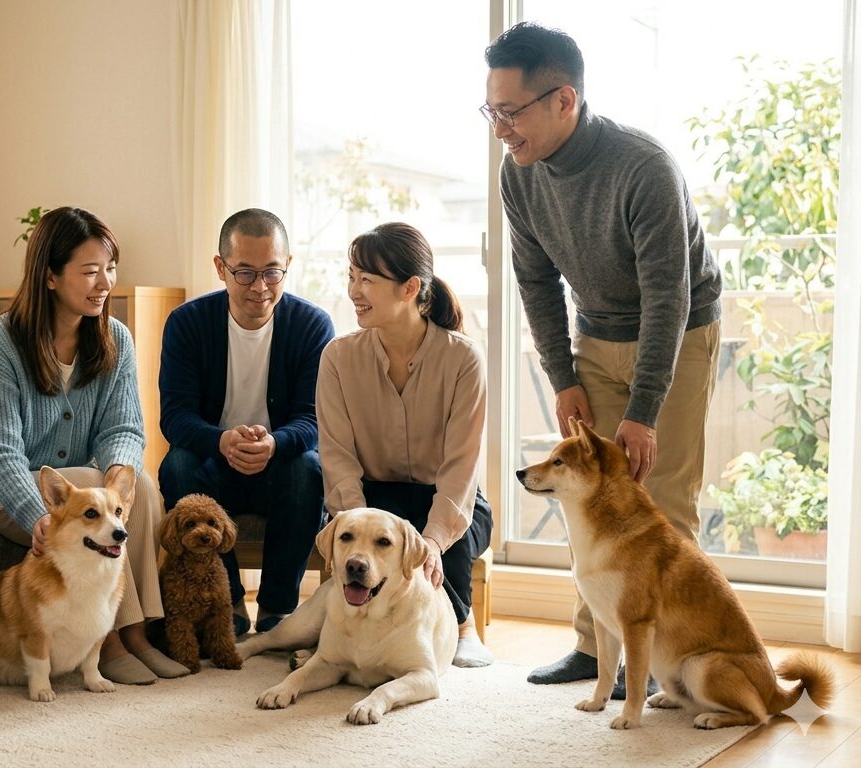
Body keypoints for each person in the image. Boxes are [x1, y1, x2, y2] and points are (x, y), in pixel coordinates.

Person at [484, 22, 723, 693]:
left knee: (661, 505)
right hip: (596, 334)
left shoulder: (642, 167)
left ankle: (666, 664)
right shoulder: (520, 175)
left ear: (564, 100)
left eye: (511, 111)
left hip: (675, 333)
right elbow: (534, 282)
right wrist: (563, 379)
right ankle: (597, 650)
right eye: (492, 110)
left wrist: (643, 411)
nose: (500, 127)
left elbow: (667, 299)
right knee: (586, 499)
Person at [0, 206, 190, 685]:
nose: (105, 283)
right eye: (90, 272)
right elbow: (0, 453)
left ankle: (140, 632)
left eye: (110, 269)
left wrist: (121, 476)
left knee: (138, 483)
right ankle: (117, 643)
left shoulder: (114, 337)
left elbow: (124, 427)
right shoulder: (2, 342)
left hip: (66, 489)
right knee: (86, 483)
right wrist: (37, 514)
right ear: (51, 277)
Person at [316, 222, 494, 667]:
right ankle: (343, 633)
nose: (355, 291)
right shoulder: (338, 358)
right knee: (383, 530)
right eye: (352, 277)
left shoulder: (462, 358)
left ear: (410, 288)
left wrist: (432, 541)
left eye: (368, 281)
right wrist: (352, 525)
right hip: (372, 503)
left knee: (423, 529)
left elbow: (460, 468)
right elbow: (336, 456)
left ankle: (460, 623)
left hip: (452, 505)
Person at [158, 208, 334, 636]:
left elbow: (315, 420)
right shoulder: (187, 323)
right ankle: (229, 601)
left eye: (272, 273)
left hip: (282, 468)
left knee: (308, 466)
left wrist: (273, 443)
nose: (260, 288)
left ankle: (277, 609)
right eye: (245, 273)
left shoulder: (312, 325)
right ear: (220, 268)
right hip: (213, 467)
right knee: (178, 464)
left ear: (287, 266)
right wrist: (222, 442)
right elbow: (175, 417)